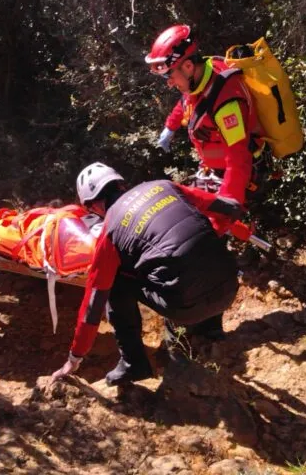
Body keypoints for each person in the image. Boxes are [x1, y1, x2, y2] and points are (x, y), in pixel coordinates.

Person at [49, 163, 243, 386]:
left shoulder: (110, 232)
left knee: (115, 280)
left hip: (187, 307)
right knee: (200, 239)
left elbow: (93, 306)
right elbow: (228, 207)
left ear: (93, 206)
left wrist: (74, 359)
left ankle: (134, 363)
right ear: (121, 184)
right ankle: (210, 329)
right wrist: (232, 229)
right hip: (229, 287)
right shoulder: (164, 186)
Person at [146, 25, 263, 233]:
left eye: (169, 76)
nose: (170, 83)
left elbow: (239, 158)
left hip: (236, 179)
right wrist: (170, 127)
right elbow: (187, 103)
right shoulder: (202, 76)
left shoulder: (227, 104)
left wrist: (226, 208)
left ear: (189, 66)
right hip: (212, 171)